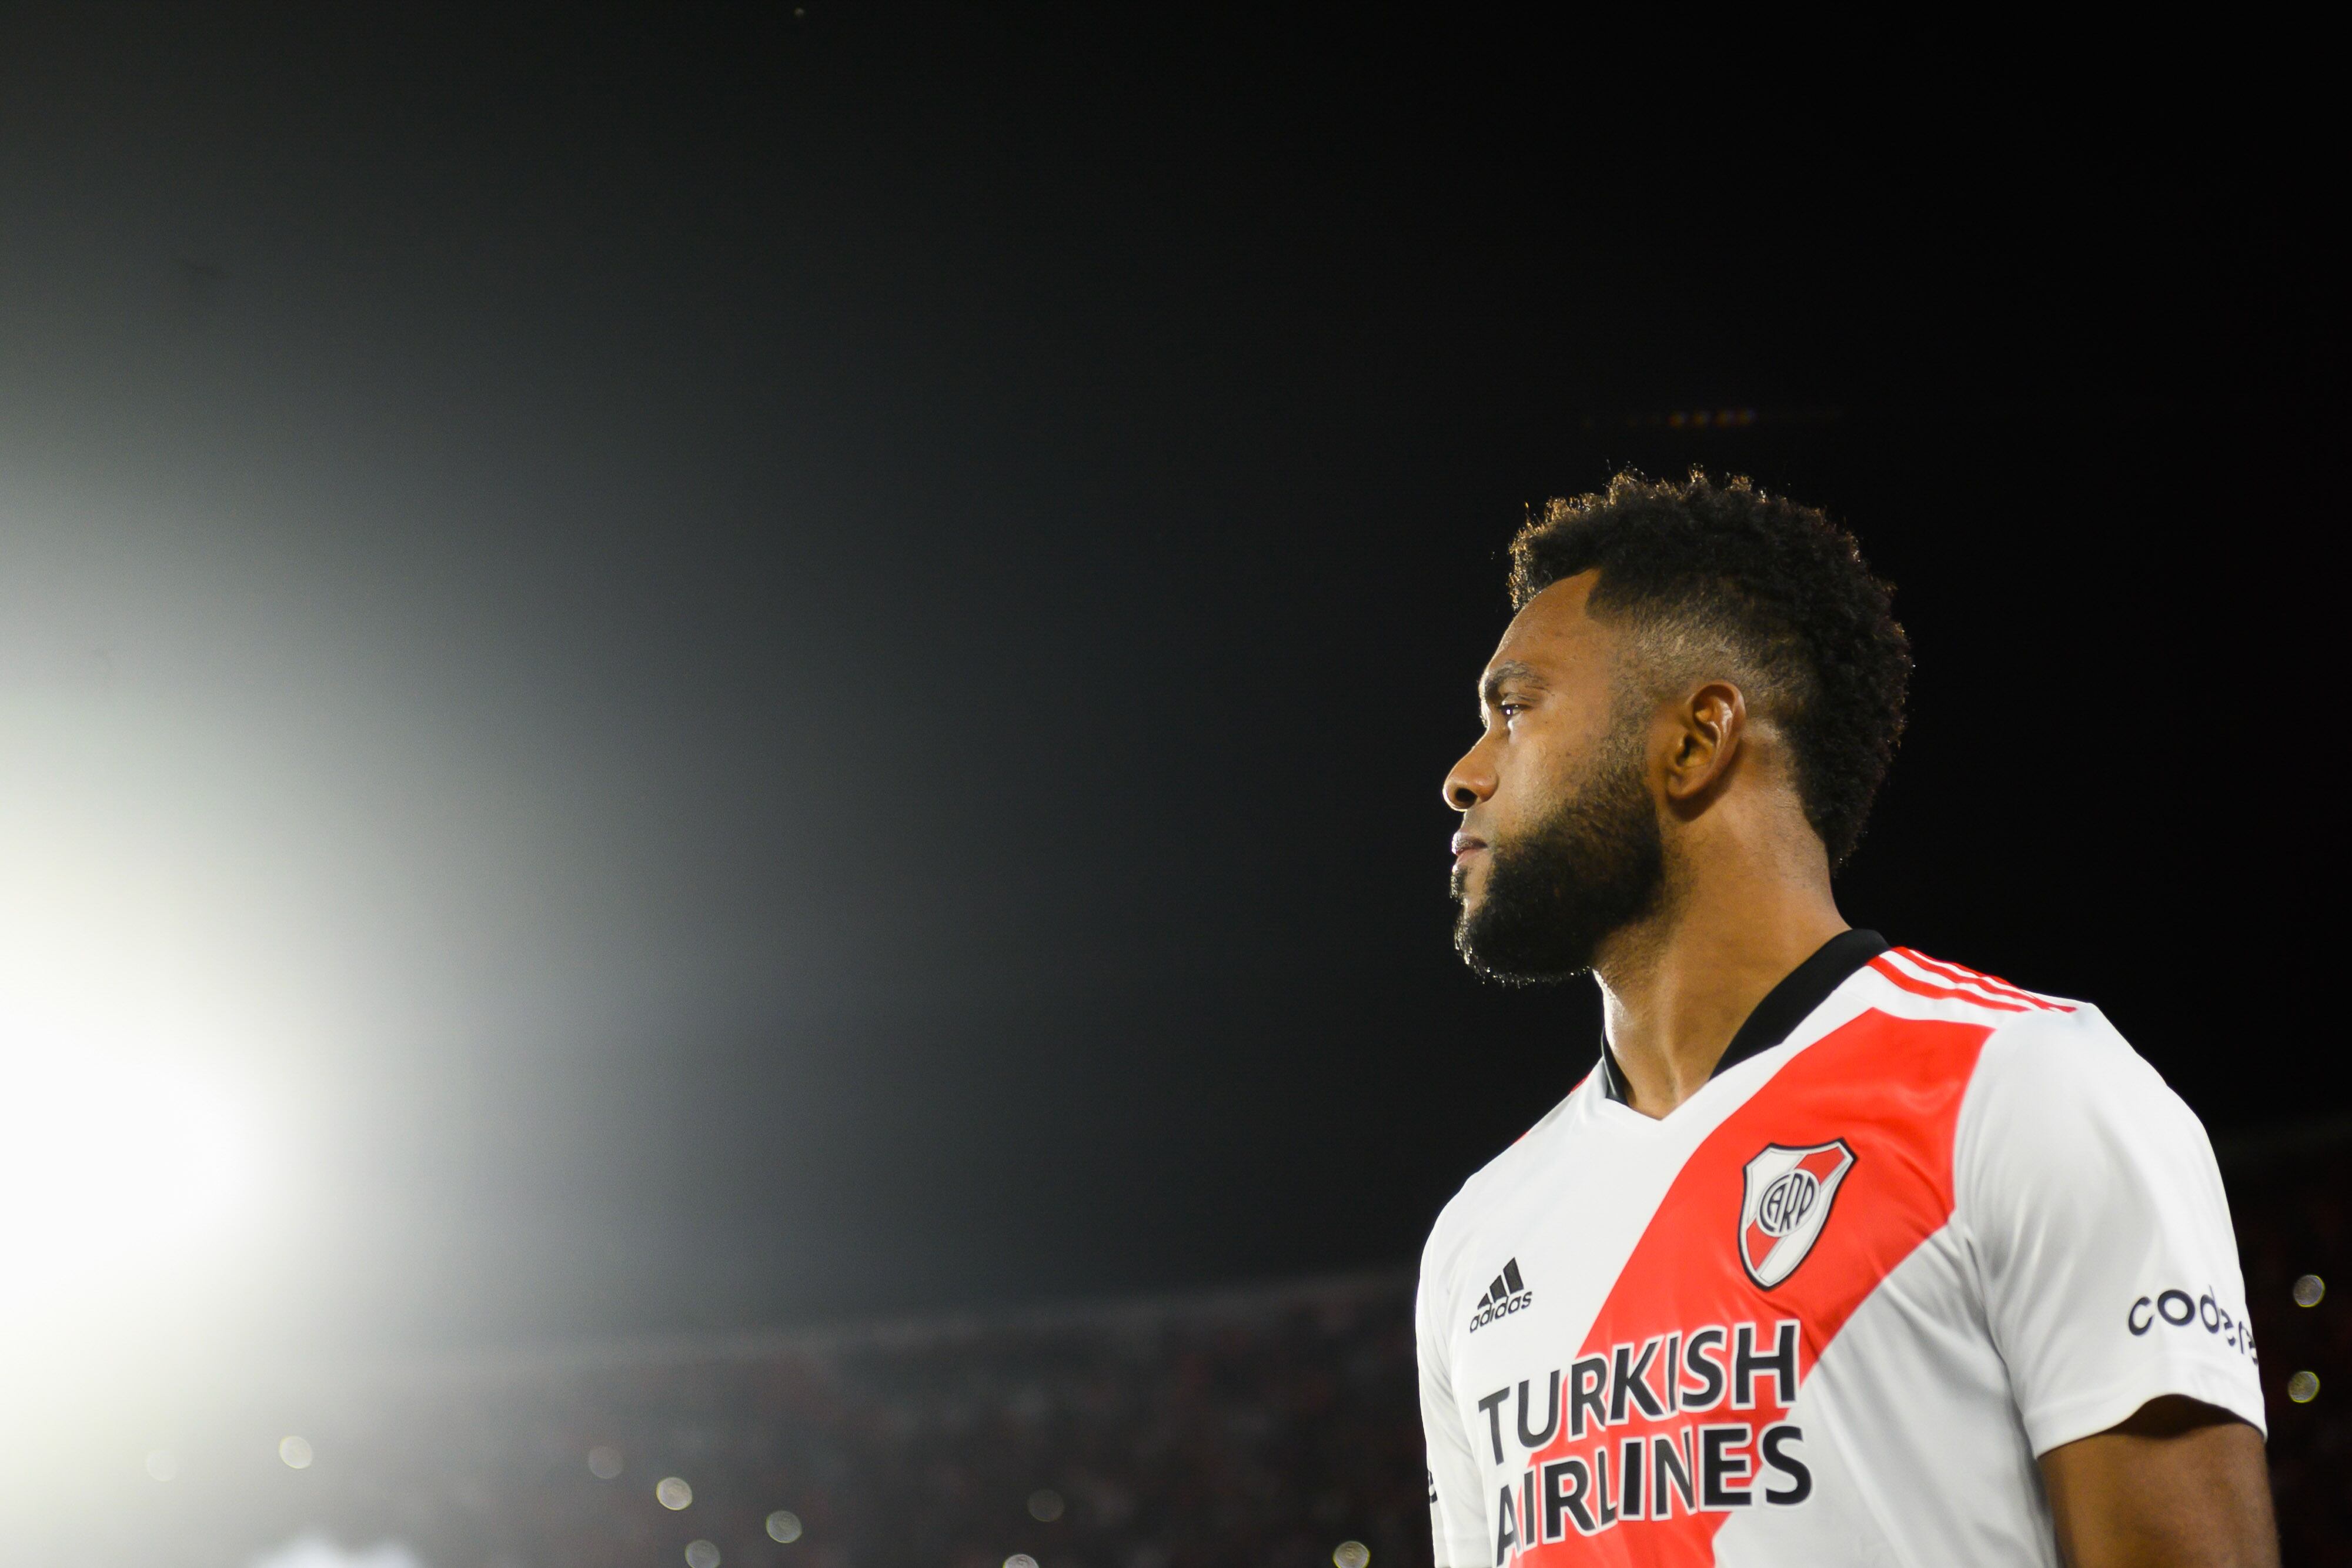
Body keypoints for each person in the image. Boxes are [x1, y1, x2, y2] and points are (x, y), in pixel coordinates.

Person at [1421, 472, 2274, 1566]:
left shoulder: (2026, 1091)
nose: (1463, 774)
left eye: (1513, 709)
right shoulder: (1480, 1238)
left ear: (1695, 740)